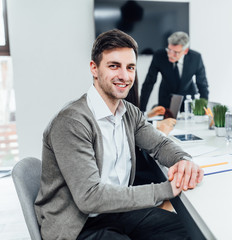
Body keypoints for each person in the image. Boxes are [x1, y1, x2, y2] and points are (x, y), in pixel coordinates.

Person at [34, 29, 203, 240]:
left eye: (130, 67)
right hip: (77, 225)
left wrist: (183, 160)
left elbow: (159, 145)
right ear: (94, 69)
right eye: (114, 66)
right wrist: (166, 190)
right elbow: (90, 198)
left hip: (116, 212)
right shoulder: (72, 122)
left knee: (190, 232)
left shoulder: (129, 113)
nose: (124, 76)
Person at [140, 31, 209, 112]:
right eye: (169, 50)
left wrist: (203, 109)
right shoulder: (159, 56)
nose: (170, 55)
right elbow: (149, 83)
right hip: (166, 99)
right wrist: (141, 111)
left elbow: (202, 85)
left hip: (188, 100)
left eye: (176, 52)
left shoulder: (196, 58)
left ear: (185, 51)